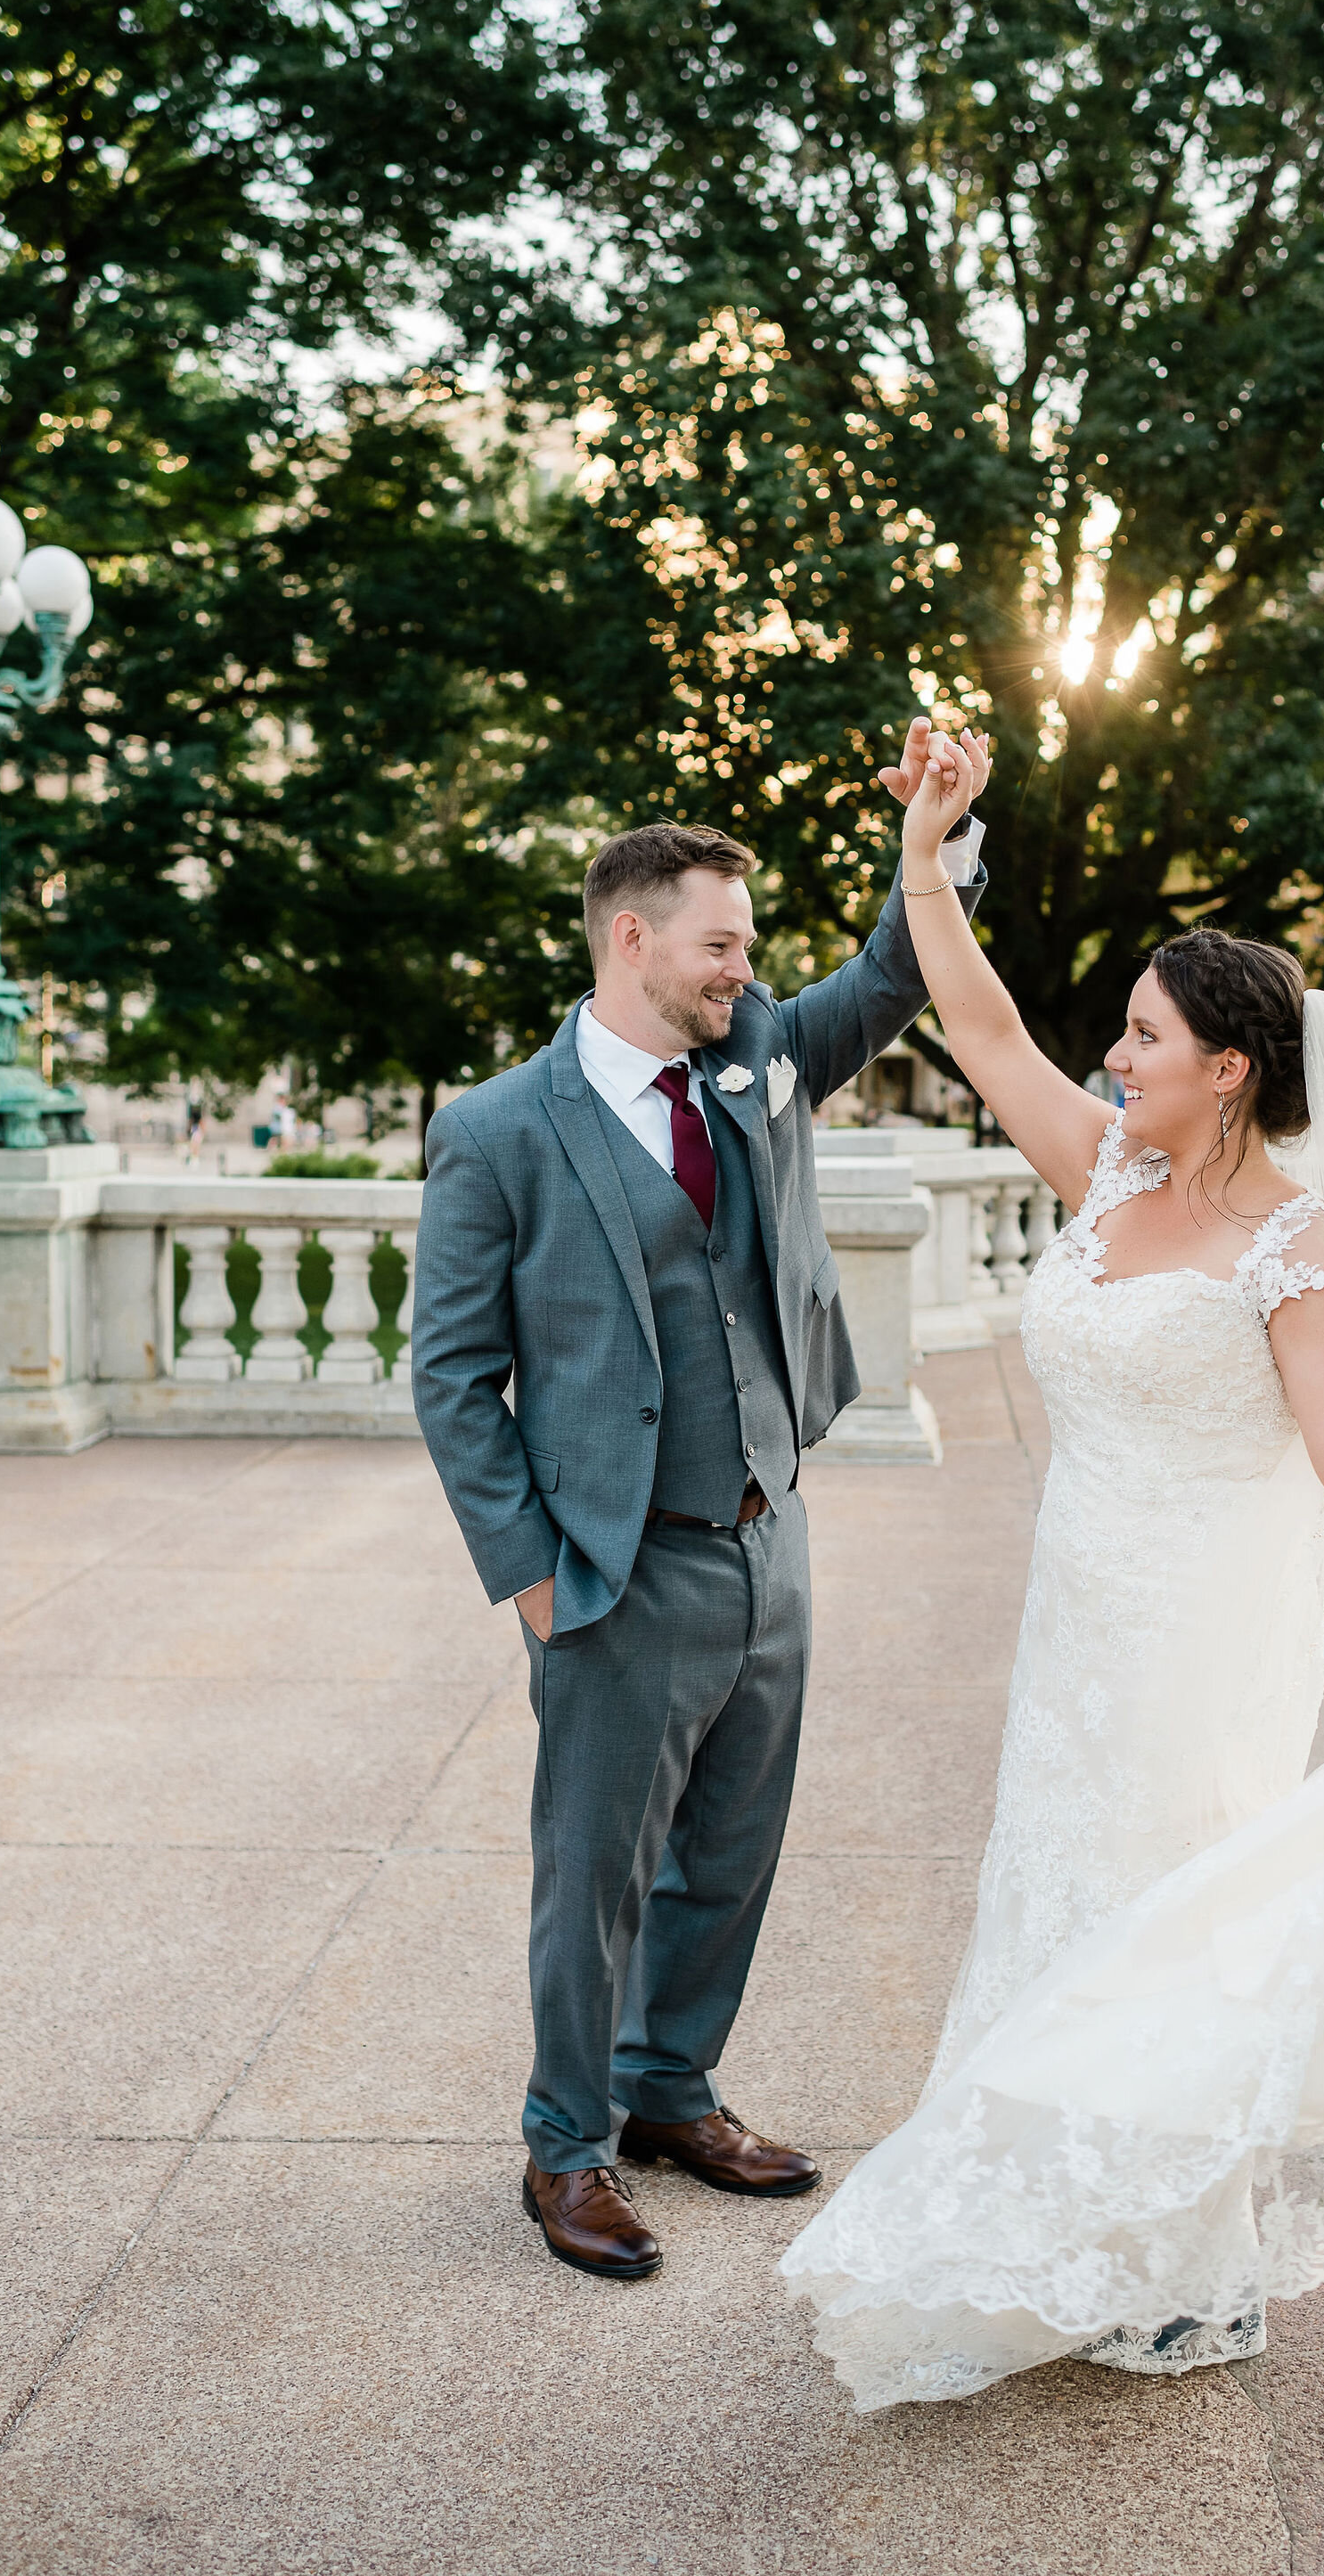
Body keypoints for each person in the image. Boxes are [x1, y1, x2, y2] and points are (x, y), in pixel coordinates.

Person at [782, 734, 1324, 2410]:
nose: (1115, 1049)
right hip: (1078, 1618)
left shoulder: (1299, 1249)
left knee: (1167, 1925)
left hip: (1205, 1635)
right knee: (1058, 1900)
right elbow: (985, 1022)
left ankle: (1171, 2263)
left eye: (1147, 1034)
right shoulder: (1107, 1171)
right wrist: (926, 852)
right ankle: (1052, 2234)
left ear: (1229, 1068)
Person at [409, 743, 987, 2283]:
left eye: (750, 943)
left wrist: (940, 837)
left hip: (766, 1545)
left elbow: (894, 967)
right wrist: (534, 1580)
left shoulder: (758, 1059)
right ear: (632, 940)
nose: (749, 967)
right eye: (723, 943)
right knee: (592, 1879)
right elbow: (453, 1379)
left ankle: (671, 2092)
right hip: (613, 1574)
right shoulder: (498, 1130)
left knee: (729, 1853)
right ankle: (567, 2148)